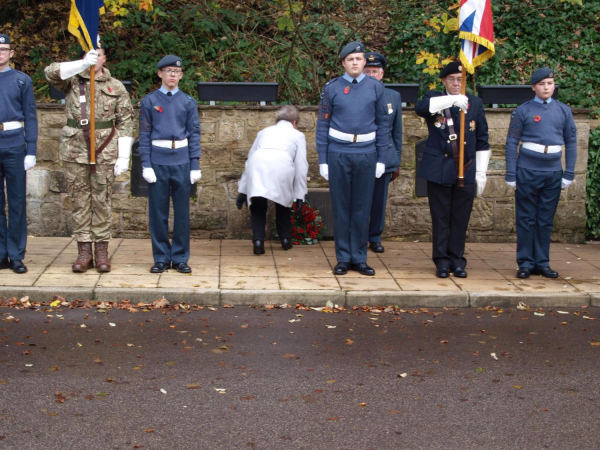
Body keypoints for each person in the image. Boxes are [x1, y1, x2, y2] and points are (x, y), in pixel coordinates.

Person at [45, 41, 133, 273]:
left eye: (99, 55)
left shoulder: (116, 87)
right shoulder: (72, 81)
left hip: (105, 151)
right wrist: (82, 63)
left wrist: (124, 155)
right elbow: (49, 72)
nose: (96, 59)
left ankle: (101, 251)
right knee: (80, 201)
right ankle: (84, 252)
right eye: (91, 55)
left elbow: (125, 121)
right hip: (76, 150)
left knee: (102, 201)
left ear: (105, 59)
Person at [316, 41, 389, 276]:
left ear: (364, 62)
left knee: (361, 208)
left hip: (367, 154)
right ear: (343, 63)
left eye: (358, 59)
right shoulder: (332, 88)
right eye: (350, 59)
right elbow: (323, 125)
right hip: (339, 153)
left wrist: (381, 159)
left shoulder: (376, 88)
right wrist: (323, 160)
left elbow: (383, 124)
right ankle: (343, 258)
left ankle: (359, 258)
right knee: (341, 208)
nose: (355, 63)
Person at [415, 61, 491, 278]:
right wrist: (452, 100)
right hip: (439, 169)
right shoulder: (435, 99)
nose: (456, 83)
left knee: (460, 218)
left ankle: (457, 260)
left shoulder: (474, 104)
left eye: (460, 79)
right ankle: (441, 260)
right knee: (440, 217)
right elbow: (421, 108)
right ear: (444, 81)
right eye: (451, 79)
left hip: (464, 169)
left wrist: (481, 172)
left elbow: (482, 139)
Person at [505, 67, 577, 279]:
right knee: (526, 218)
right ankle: (525, 263)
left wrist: (569, 173)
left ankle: (542, 262)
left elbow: (571, 142)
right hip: (527, 170)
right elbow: (511, 142)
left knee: (545, 219)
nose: (547, 88)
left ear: (554, 86)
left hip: (553, 171)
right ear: (534, 87)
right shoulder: (523, 110)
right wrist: (511, 174)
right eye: (542, 84)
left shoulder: (564, 111)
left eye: (550, 83)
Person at [138, 55, 201, 274]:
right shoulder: (149, 101)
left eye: (176, 72)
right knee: (158, 213)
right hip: (158, 161)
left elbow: (194, 135)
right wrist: (146, 164)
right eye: (168, 71)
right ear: (160, 74)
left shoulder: (188, 102)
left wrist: (195, 164)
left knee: (182, 213)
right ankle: (161, 257)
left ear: (181, 75)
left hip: (182, 160)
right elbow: (144, 135)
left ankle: (181, 257)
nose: (172, 75)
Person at [235, 106, 308, 254]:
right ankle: (286, 239)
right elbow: (301, 166)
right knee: (283, 204)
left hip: (258, 164)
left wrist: (243, 190)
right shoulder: (298, 135)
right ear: (295, 122)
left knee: (258, 204)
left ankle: (258, 241)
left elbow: (249, 161)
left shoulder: (263, 132)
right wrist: (299, 195)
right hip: (282, 165)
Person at [0, 33, 37, 274]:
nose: (0, 52)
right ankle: (1, 253)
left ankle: (15, 255)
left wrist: (31, 149)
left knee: (16, 203)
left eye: (4, 49)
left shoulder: (22, 80)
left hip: (14, 145)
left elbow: (31, 115)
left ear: (11, 53)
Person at [363, 52, 402, 253]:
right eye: (367, 71)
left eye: (374, 71)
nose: (371, 75)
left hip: (384, 157)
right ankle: (359, 236)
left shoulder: (393, 97)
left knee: (379, 201)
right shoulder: (356, 93)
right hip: (361, 154)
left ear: (382, 74)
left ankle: (375, 237)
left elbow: (397, 131)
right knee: (360, 199)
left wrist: (396, 160)